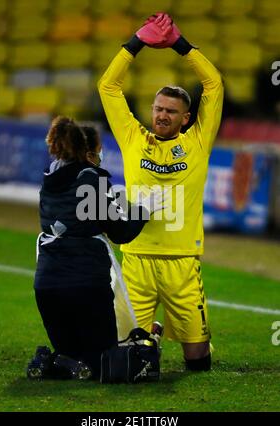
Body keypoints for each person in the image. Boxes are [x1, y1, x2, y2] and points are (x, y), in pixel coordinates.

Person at [98, 13, 224, 371]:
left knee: (197, 363)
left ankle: (160, 333)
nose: (162, 115)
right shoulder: (134, 140)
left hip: (182, 261)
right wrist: (136, 41)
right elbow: (108, 86)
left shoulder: (198, 143)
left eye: (171, 111)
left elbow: (213, 84)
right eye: (158, 108)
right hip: (136, 259)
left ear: (186, 118)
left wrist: (179, 44)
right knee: (124, 356)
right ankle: (149, 331)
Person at [27, 116, 164, 380]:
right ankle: (68, 361)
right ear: (89, 152)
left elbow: (78, 219)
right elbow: (121, 232)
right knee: (106, 361)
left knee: (75, 353)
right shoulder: (91, 180)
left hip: (46, 286)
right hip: (85, 285)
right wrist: (143, 211)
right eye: (100, 149)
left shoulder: (50, 180)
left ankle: (52, 359)